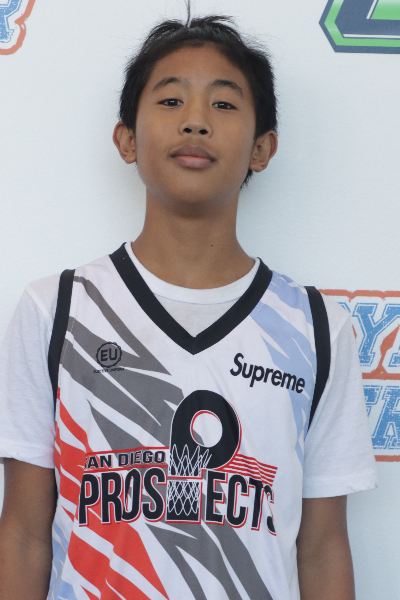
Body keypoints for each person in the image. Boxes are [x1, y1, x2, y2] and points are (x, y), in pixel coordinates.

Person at [0, 11, 377, 600]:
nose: (196, 121)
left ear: (262, 148)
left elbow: (323, 549)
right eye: (171, 100)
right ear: (127, 139)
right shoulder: (57, 310)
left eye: (223, 104)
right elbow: (24, 535)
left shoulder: (316, 328)